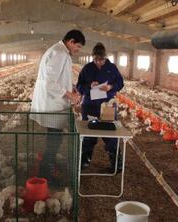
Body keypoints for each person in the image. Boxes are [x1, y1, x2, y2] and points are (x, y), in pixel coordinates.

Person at [30, 30, 85, 180]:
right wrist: (70, 95)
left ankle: (48, 163)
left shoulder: (59, 51)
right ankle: (46, 170)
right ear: (71, 41)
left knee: (54, 136)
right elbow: (49, 82)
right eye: (77, 46)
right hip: (52, 104)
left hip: (53, 102)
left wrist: (71, 87)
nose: (77, 50)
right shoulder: (59, 53)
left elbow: (58, 78)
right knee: (55, 138)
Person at [76, 42, 124, 172]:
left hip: (107, 105)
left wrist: (111, 87)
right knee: (88, 134)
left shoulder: (112, 68)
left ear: (105, 57)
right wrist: (89, 87)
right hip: (90, 105)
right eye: (96, 59)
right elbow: (79, 86)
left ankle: (116, 165)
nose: (98, 62)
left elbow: (120, 83)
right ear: (93, 57)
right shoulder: (87, 68)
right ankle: (84, 161)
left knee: (110, 135)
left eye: (101, 59)